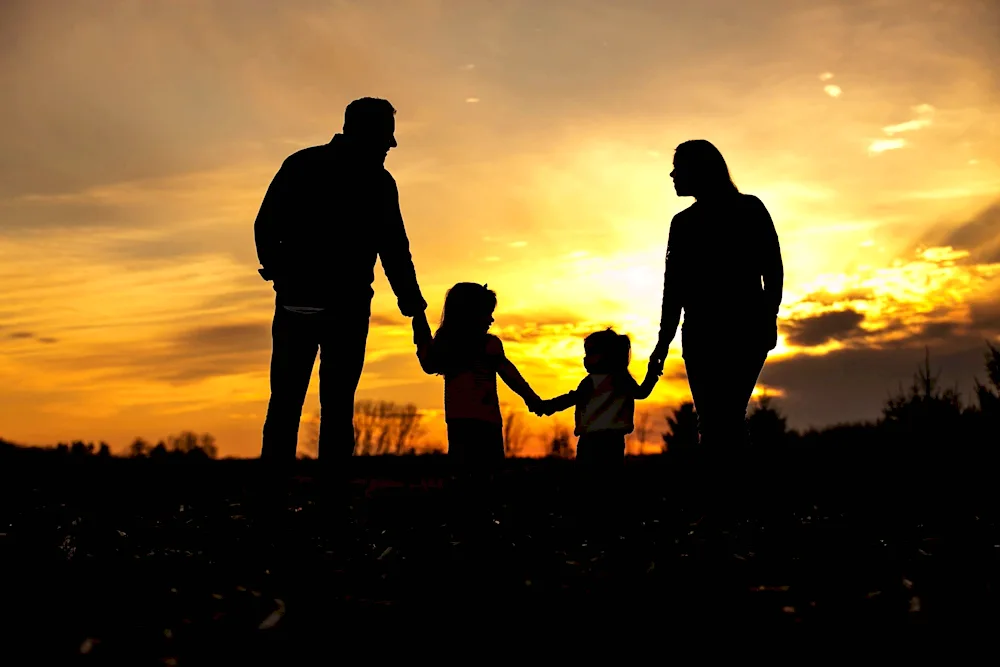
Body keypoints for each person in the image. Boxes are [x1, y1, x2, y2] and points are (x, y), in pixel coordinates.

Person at [253, 97, 427, 516]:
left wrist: (280, 274)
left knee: (288, 404)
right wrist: (415, 311)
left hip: (311, 304)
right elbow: (395, 251)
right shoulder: (375, 182)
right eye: (385, 137)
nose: (391, 146)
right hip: (339, 310)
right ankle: (326, 501)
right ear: (364, 132)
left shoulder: (302, 164)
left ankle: (277, 500)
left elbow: (265, 225)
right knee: (333, 406)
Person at [649, 139, 783, 532]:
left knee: (721, 421)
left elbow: (771, 269)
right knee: (719, 421)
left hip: (738, 332)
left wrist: (766, 317)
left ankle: (726, 511)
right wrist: (663, 340)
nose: (672, 176)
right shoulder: (683, 223)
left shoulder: (750, 209)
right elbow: (674, 287)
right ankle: (728, 510)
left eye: (678, 167)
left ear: (699, 169)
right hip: (705, 335)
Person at [412, 283, 542, 534]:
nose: (491, 319)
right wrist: (532, 399)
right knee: (477, 473)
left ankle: (476, 521)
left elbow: (509, 374)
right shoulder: (474, 346)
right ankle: (475, 522)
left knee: (475, 473)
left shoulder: (472, 345)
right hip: (476, 420)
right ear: (469, 313)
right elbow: (509, 374)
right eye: (486, 313)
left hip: (473, 420)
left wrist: (531, 398)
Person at [534, 329, 663, 541]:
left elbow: (571, 399)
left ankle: (595, 527)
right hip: (608, 441)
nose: (585, 359)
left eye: (590, 353)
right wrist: (653, 373)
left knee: (592, 484)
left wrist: (547, 406)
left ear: (606, 354)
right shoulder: (618, 379)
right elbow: (642, 392)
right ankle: (606, 527)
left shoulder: (594, 381)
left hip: (594, 441)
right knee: (607, 484)